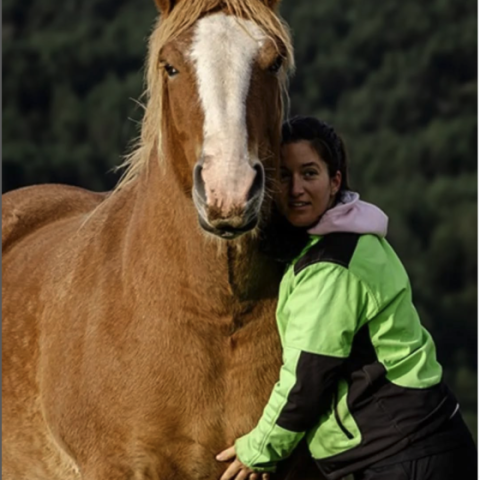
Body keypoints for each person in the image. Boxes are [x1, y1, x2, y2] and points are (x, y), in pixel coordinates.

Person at [216, 116, 477, 480]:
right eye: (285, 176)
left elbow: (306, 381)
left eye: (309, 173)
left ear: (334, 180)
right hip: (419, 448)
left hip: (405, 457)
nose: (296, 189)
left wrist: (258, 450)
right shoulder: (346, 239)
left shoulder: (332, 266)